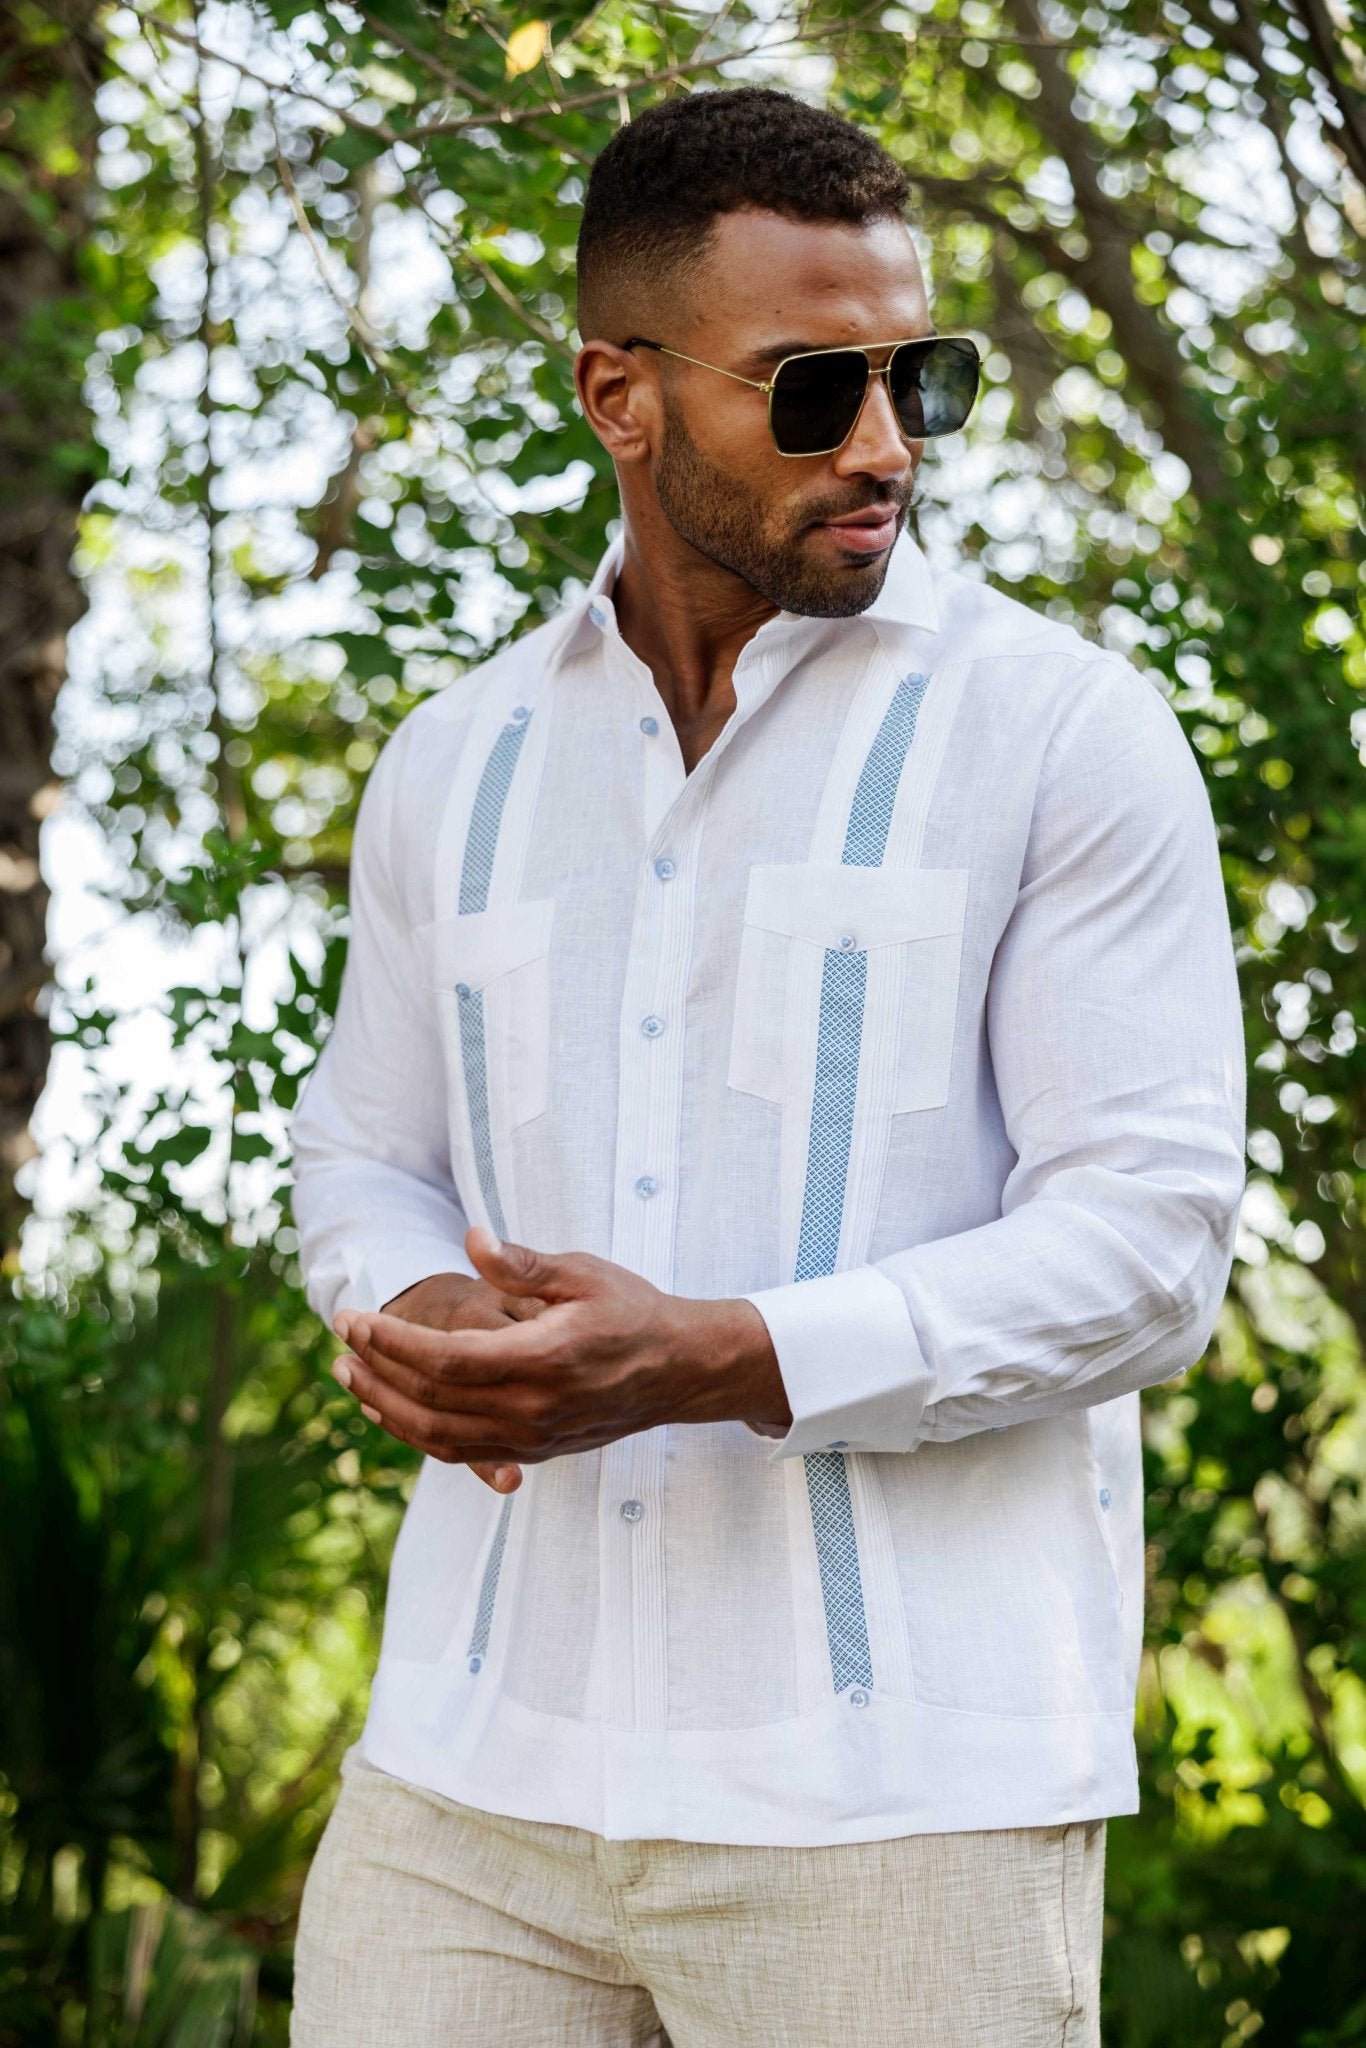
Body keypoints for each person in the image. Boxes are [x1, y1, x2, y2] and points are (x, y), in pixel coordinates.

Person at [287, 84, 1246, 2048]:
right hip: (463, 1778)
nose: (884, 445)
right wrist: (408, 1302)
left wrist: (719, 1352)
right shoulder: (451, 763)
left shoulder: (1063, 736)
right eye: (814, 390)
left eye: (920, 378)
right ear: (616, 396)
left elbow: (1149, 1240)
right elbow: (362, 1149)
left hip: (899, 1808)